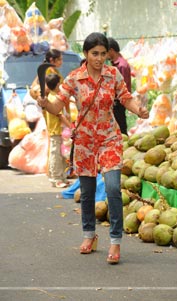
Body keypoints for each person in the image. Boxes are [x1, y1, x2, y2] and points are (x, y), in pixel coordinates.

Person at [37, 32, 149, 264]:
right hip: (85, 141)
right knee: (87, 193)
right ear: (86, 54)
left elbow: (126, 97)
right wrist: (46, 103)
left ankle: (115, 240)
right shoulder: (75, 78)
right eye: (94, 54)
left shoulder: (113, 75)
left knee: (112, 189)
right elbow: (58, 106)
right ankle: (89, 235)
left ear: (108, 54)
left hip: (109, 138)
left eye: (103, 53)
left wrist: (139, 109)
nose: (99, 58)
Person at [44, 73, 71, 188]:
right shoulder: (53, 99)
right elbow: (60, 116)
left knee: (62, 154)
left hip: (59, 130)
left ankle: (62, 177)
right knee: (56, 155)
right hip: (56, 130)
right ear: (57, 85)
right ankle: (55, 178)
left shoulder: (55, 96)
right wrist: (70, 126)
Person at [107, 37, 132, 135]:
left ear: (111, 50)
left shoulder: (121, 65)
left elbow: (122, 87)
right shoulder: (116, 64)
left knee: (120, 127)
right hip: (116, 101)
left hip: (119, 102)